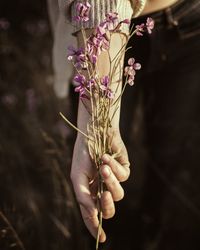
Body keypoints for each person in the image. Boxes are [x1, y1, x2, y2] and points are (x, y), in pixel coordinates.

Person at [56, 0, 200, 248]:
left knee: (170, 148)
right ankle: (100, 237)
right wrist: (97, 120)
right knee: (101, 167)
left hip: (193, 24)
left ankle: (151, 227)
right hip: (109, 29)